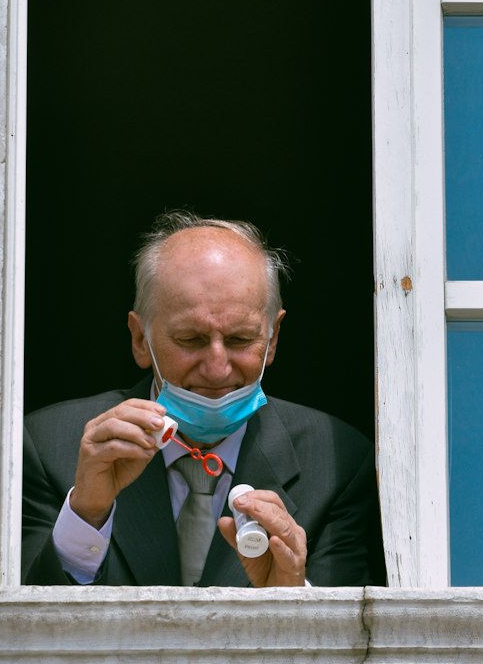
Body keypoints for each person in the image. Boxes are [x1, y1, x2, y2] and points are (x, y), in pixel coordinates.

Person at [21, 212, 385, 587]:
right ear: (140, 340)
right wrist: (87, 513)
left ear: (273, 339)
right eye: (190, 340)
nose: (216, 368)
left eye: (241, 340)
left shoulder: (337, 460)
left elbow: (344, 637)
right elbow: (16, 635)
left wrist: (292, 594)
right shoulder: (51, 445)